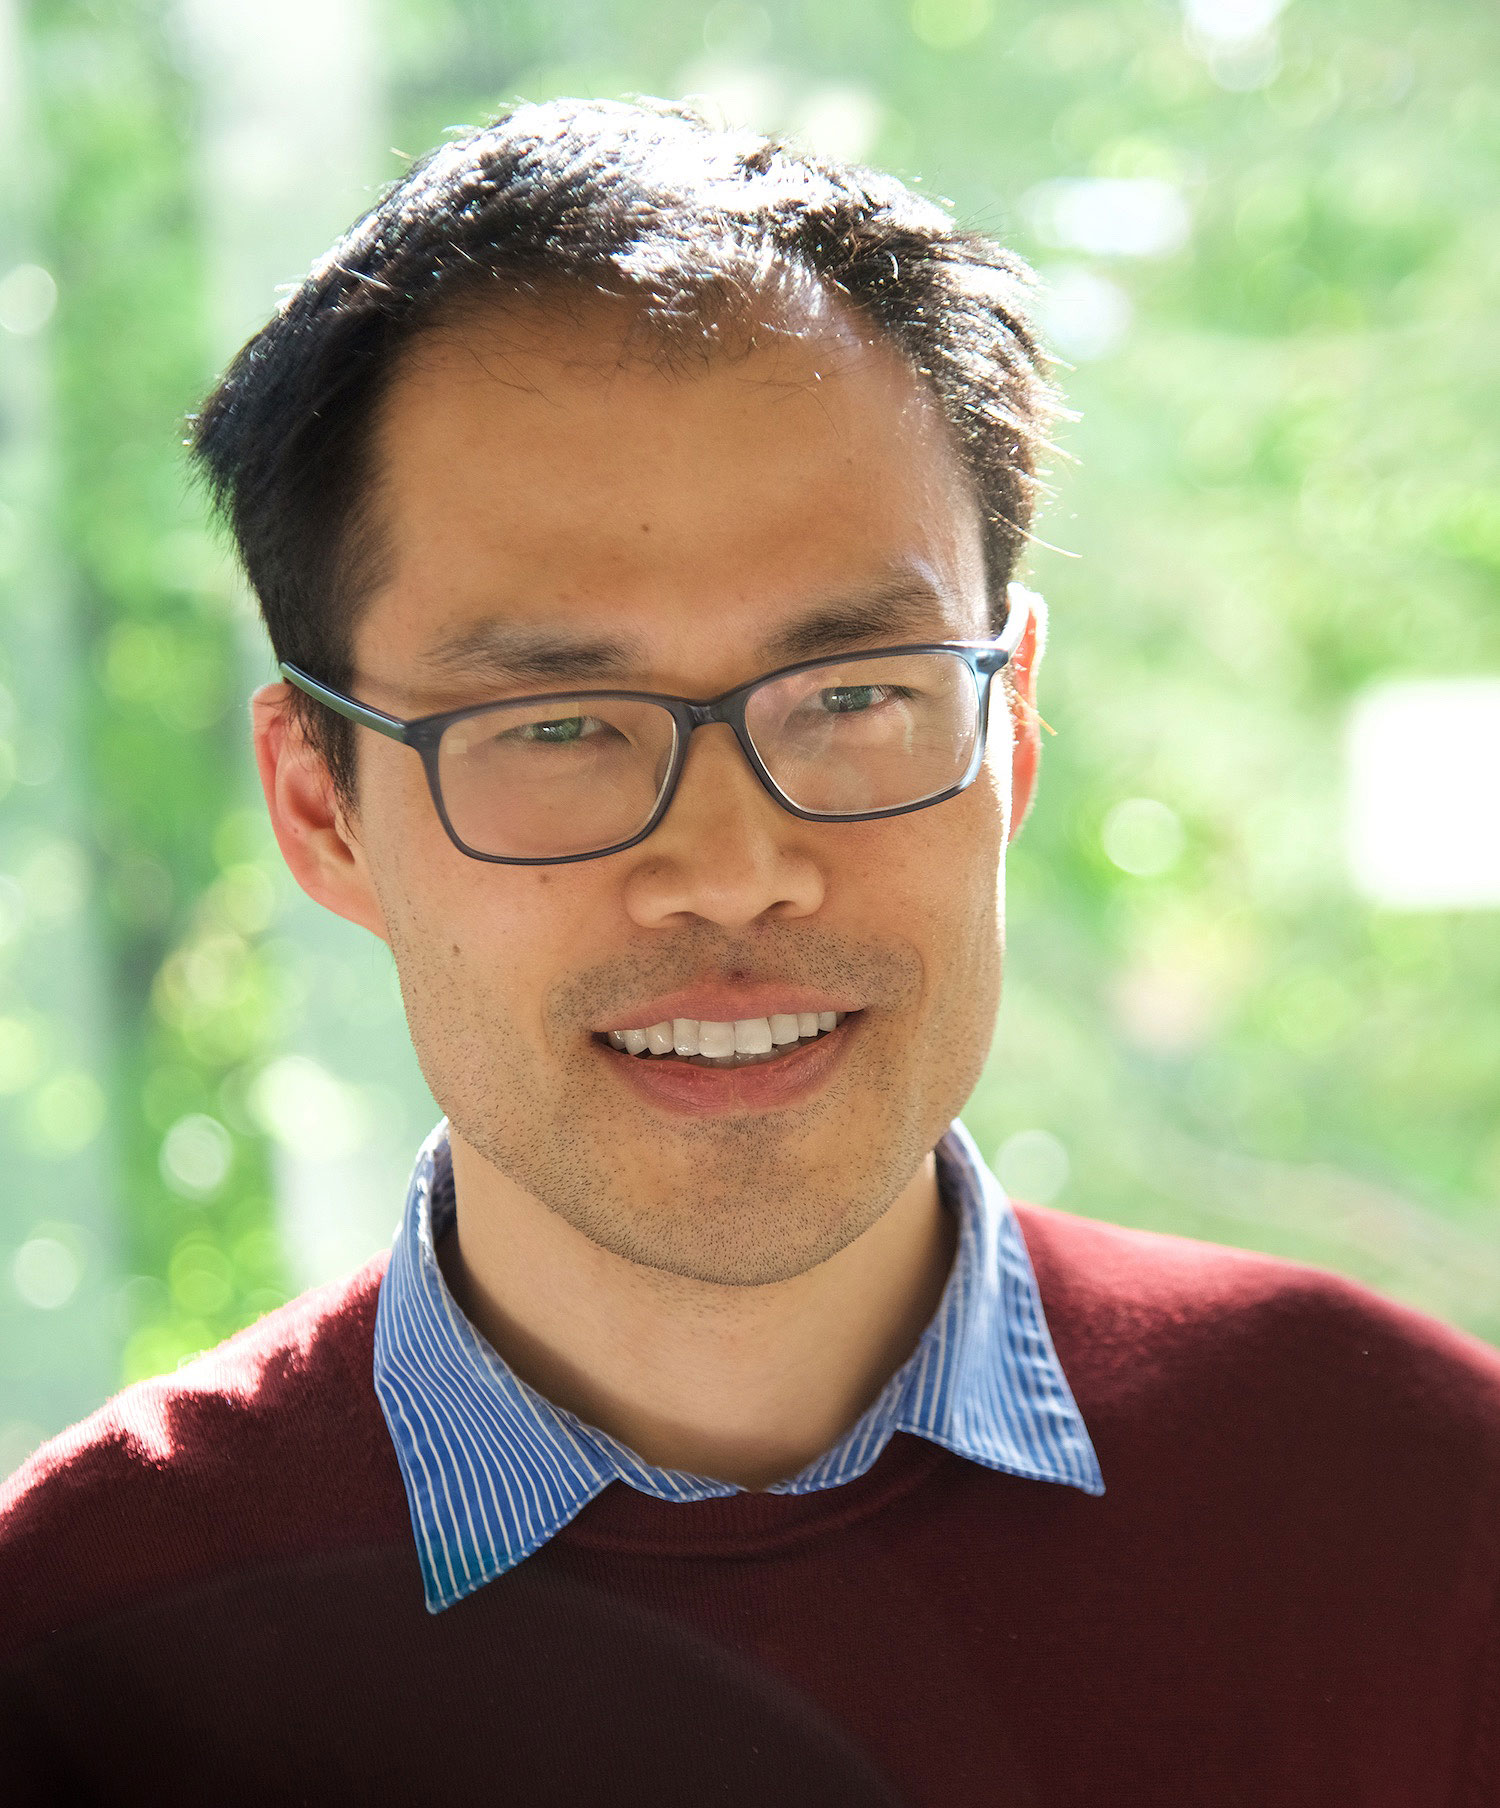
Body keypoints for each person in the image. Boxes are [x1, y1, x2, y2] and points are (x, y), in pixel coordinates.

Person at [2, 97, 1497, 1807]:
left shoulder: (1425, 1510)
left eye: (856, 696)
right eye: (559, 725)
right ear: (320, 805)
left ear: (1008, 737)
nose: (732, 869)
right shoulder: (76, 1643)